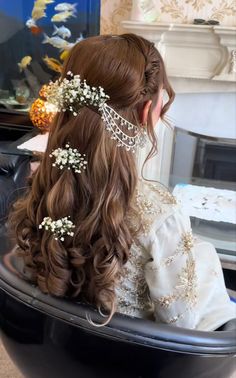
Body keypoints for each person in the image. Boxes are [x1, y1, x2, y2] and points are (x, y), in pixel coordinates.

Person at [9, 34, 235, 330]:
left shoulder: (43, 185)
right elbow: (186, 323)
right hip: (135, 362)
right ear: (145, 113)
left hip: (58, 349)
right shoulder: (160, 214)